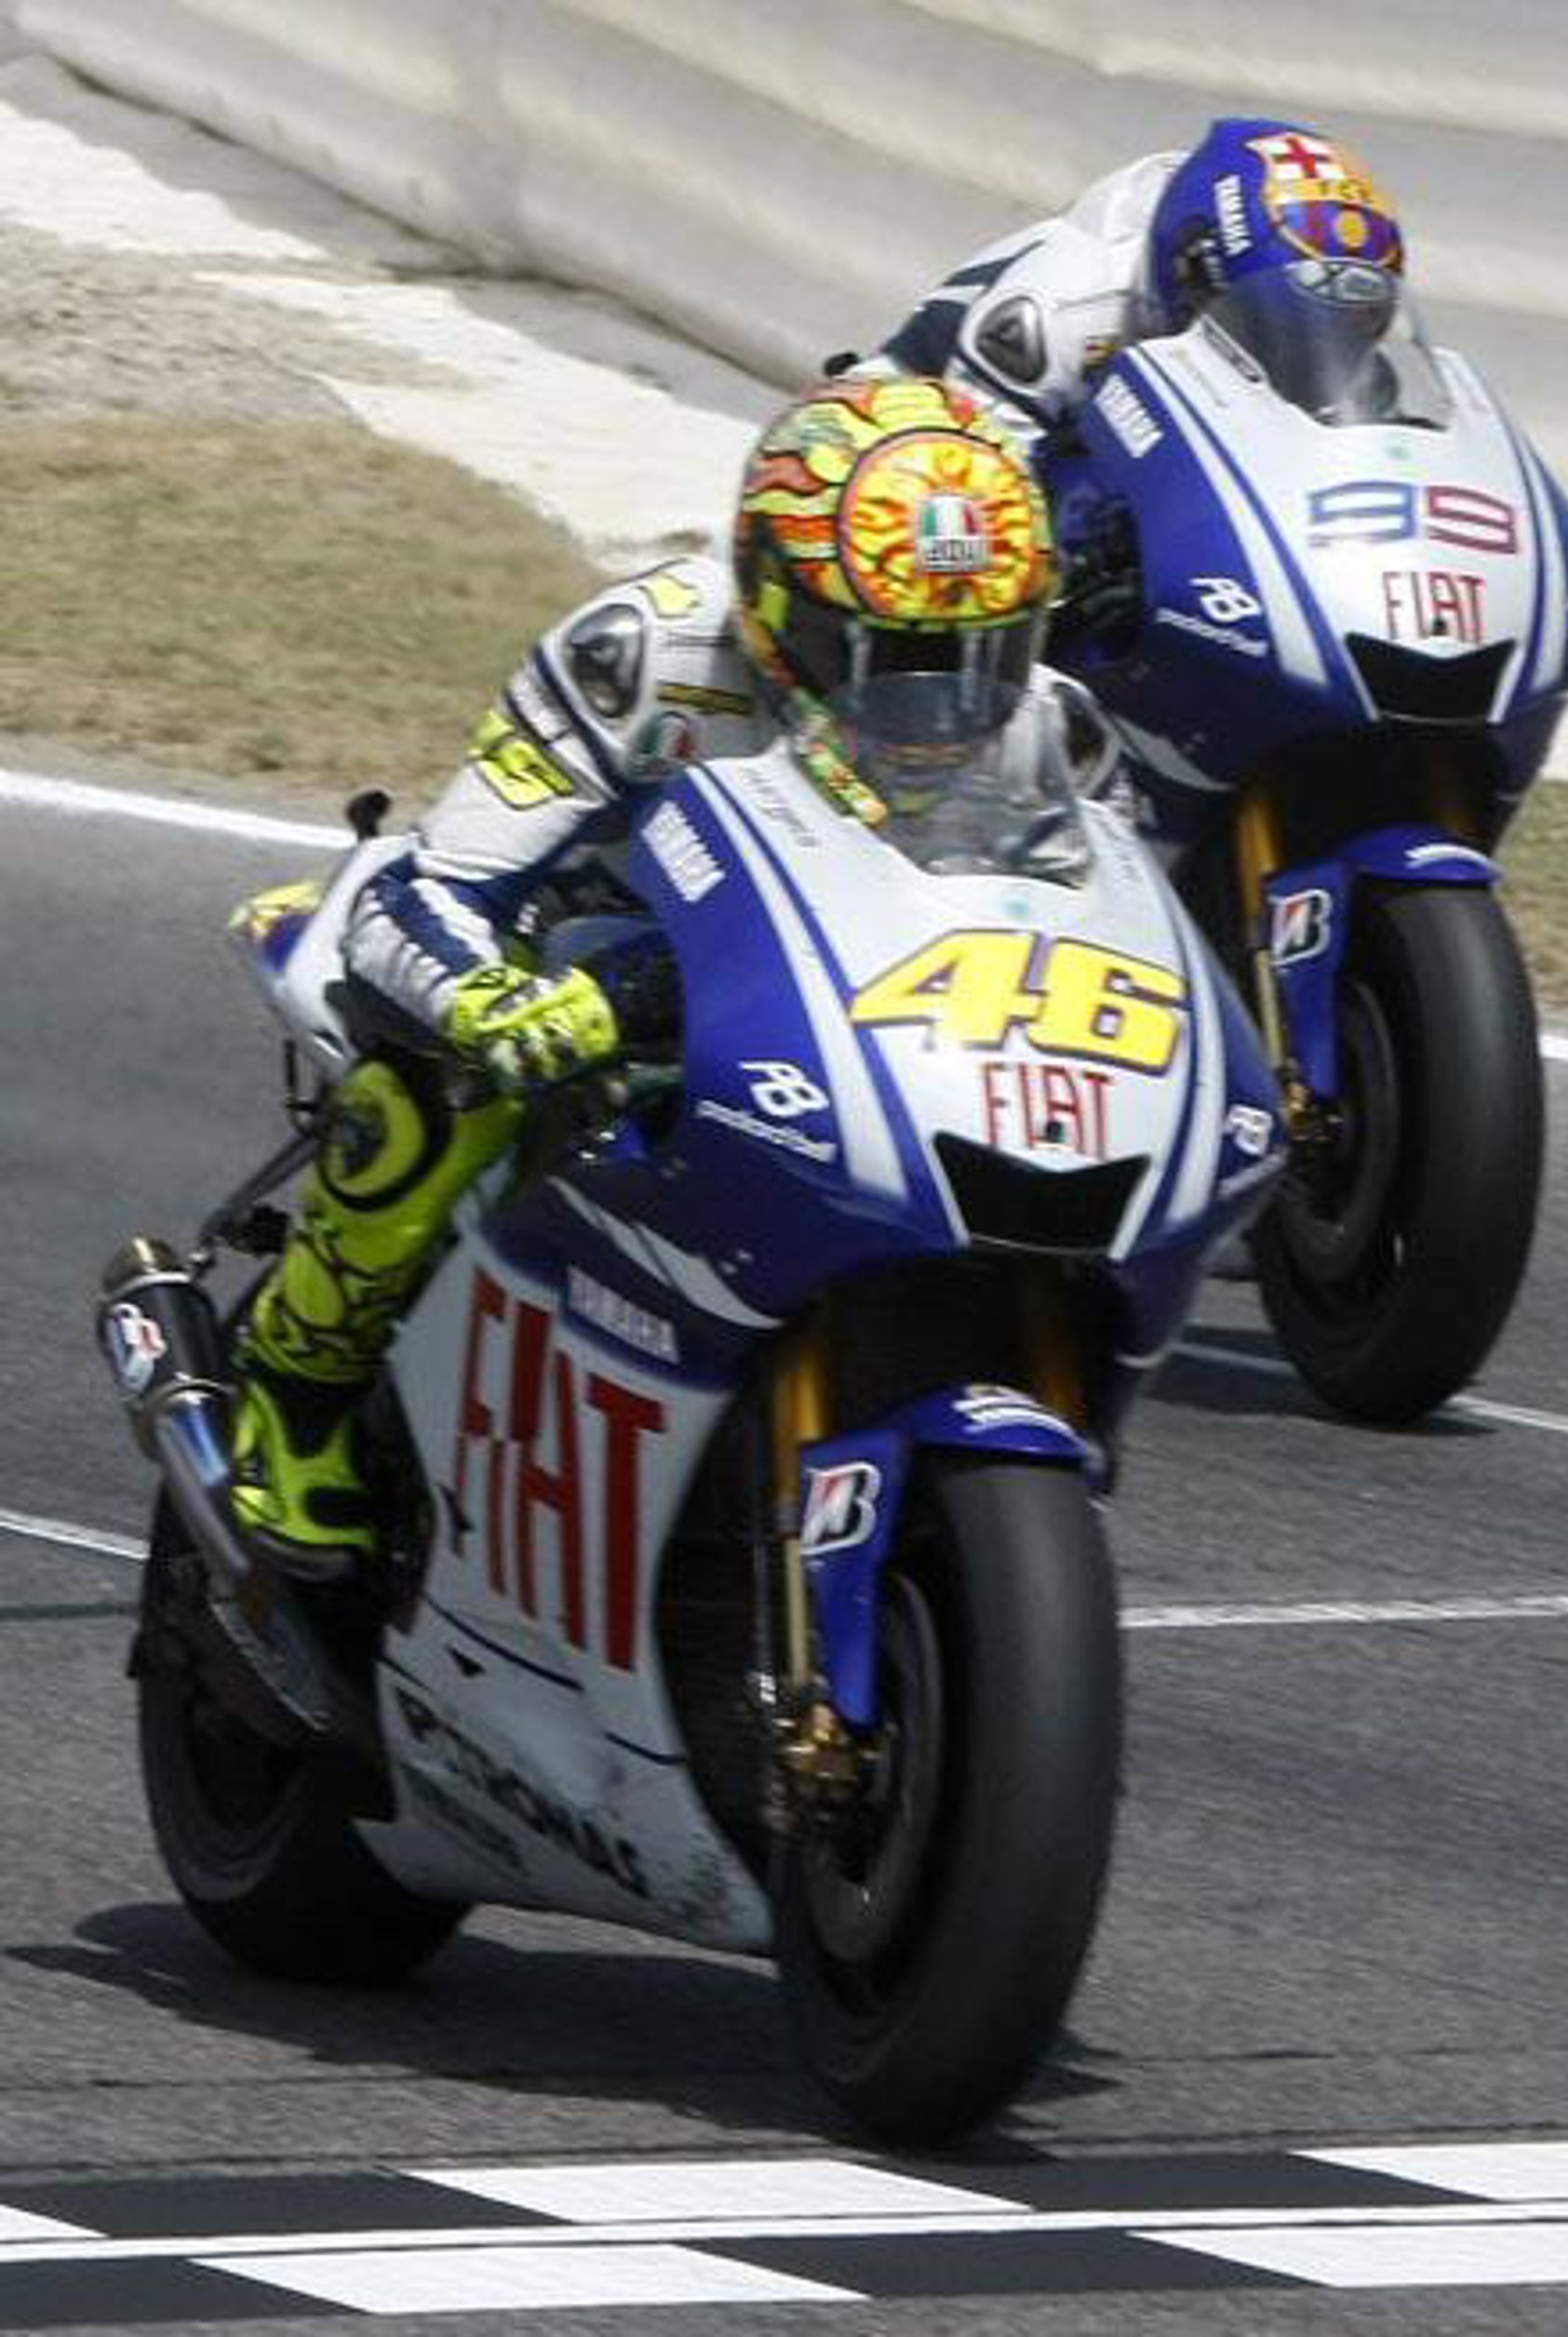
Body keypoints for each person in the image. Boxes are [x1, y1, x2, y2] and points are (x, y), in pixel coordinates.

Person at [230, 371, 1106, 1581]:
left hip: (864, 1014)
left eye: (982, 651)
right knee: (440, 1090)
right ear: (776, 599)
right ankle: (293, 1398)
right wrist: (495, 1003)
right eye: (889, 652)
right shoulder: (642, 656)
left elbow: (1097, 930)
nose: (939, 699)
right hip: (583, 979)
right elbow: (425, 892)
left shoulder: (1050, 724)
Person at [867, 119, 1406, 636]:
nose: (1306, 355)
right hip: (913, 454)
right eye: (1276, 326)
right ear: (1192, 271)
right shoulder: (1064, 304)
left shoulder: (1334, 353)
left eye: (1341, 334)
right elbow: (975, 490)